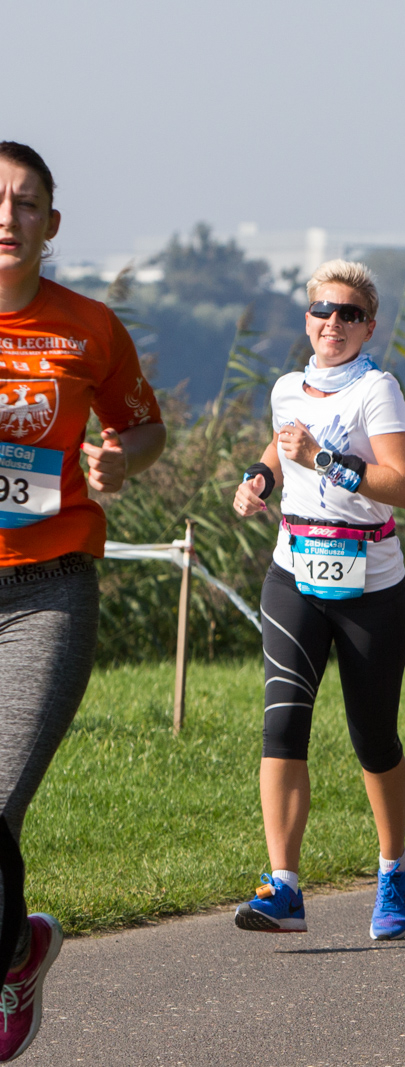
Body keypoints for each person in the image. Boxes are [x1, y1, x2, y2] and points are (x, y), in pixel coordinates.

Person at [0, 142, 167, 1062]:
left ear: (51, 226)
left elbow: (144, 427)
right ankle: (16, 945)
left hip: (44, 592)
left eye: (28, 203)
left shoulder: (89, 329)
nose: (8, 216)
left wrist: (119, 460)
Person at [231, 260, 405, 939]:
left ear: (368, 326)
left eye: (348, 313)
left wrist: (325, 461)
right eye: (321, 310)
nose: (332, 323)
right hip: (293, 571)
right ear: (306, 318)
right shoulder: (288, 387)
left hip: (369, 582)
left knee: (373, 737)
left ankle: (394, 864)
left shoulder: (378, 390)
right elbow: (284, 443)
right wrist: (259, 476)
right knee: (282, 723)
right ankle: (283, 884)